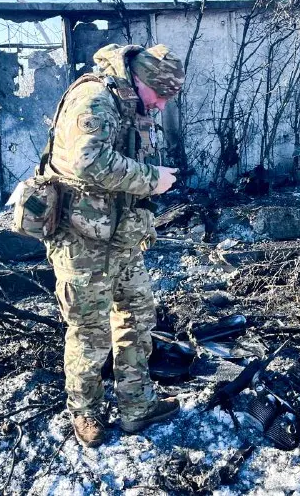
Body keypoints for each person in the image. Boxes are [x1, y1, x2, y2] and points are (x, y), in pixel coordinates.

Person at [41, 43, 184, 447]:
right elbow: (87, 162)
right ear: (141, 82)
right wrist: (150, 178)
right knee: (89, 333)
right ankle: (85, 414)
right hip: (81, 240)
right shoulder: (95, 98)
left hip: (121, 237)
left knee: (137, 319)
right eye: (160, 95)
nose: (160, 106)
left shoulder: (130, 103)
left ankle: (136, 407)